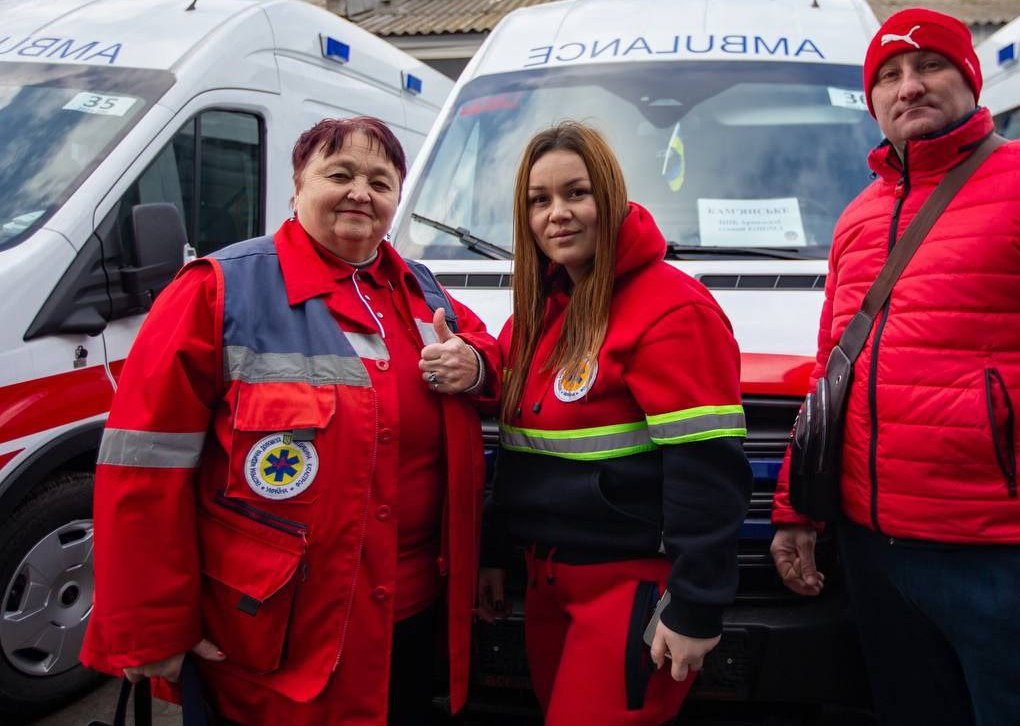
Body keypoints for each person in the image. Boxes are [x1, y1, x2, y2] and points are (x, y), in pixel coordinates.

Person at [770, 8, 1020, 725]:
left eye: (929, 65)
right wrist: (797, 507)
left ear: (970, 79)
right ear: (871, 102)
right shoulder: (859, 217)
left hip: (1004, 559)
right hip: (875, 554)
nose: (908, 87)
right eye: (889, 76)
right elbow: (829, 381)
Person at [81, 117, 500, 725]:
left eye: (381, 182)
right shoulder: (215, 291)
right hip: (273, 632)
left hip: (411, 614)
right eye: (341, 174)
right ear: (296, 188)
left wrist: (476, 365)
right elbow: (142, 467)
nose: (362, 192)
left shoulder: (421, 290)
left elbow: (493, 351)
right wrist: (151, 626)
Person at [476, 121, 752, 724]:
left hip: (630, 587)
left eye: (577, 193)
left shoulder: (673, 309)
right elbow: (517, 453)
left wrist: (695, 606)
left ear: (611, 197)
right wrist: (494, 553)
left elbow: (708, 471)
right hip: (546, 581)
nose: (558, 214)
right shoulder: (537, 313)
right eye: (539, 200)